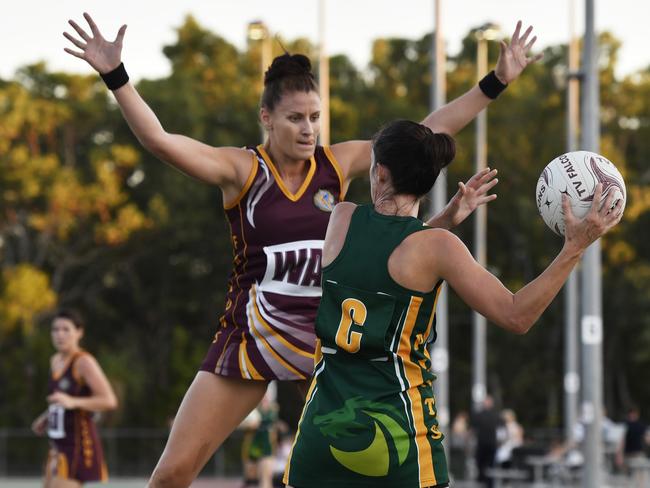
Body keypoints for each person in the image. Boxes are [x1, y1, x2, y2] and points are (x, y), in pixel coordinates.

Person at [63, 12, 541, 486]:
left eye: (315, 117)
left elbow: (422, 135)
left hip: (326, 341)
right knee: (170, 475)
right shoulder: (242, 170)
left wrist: (496, 82)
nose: (308, 129)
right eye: (295, 118)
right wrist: (116, 76)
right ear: (266, 118)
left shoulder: (337, 165)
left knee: (359, 464)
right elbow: (160, 141)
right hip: (254, 335)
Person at [283, 119, 623, 487]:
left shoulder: (341, 218)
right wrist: (574, 248)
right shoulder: (437, 248)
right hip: (396, 442)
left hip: (318, 439)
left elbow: (382, 253)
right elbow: (516, 314)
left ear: (380, 173)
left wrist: (445, 219)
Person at [31, 309, 118, 488]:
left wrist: (74, 402)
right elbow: (60, 400)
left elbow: (109, 400)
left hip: (77, 445)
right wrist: (46, 417)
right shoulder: (54, 361)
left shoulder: (84, 362)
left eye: (66, 329)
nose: (59, 334)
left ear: (79, 332)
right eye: (55, 329)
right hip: (57, 446)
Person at [471, 396, 503, 486]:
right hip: (482, 443)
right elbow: (474, 429)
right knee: (481, 464)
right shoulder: (479, 415)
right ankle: (483, 481)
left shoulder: (496, 415)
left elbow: (501, 430)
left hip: (491, 444)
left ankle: (488, 483)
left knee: (490, 465)